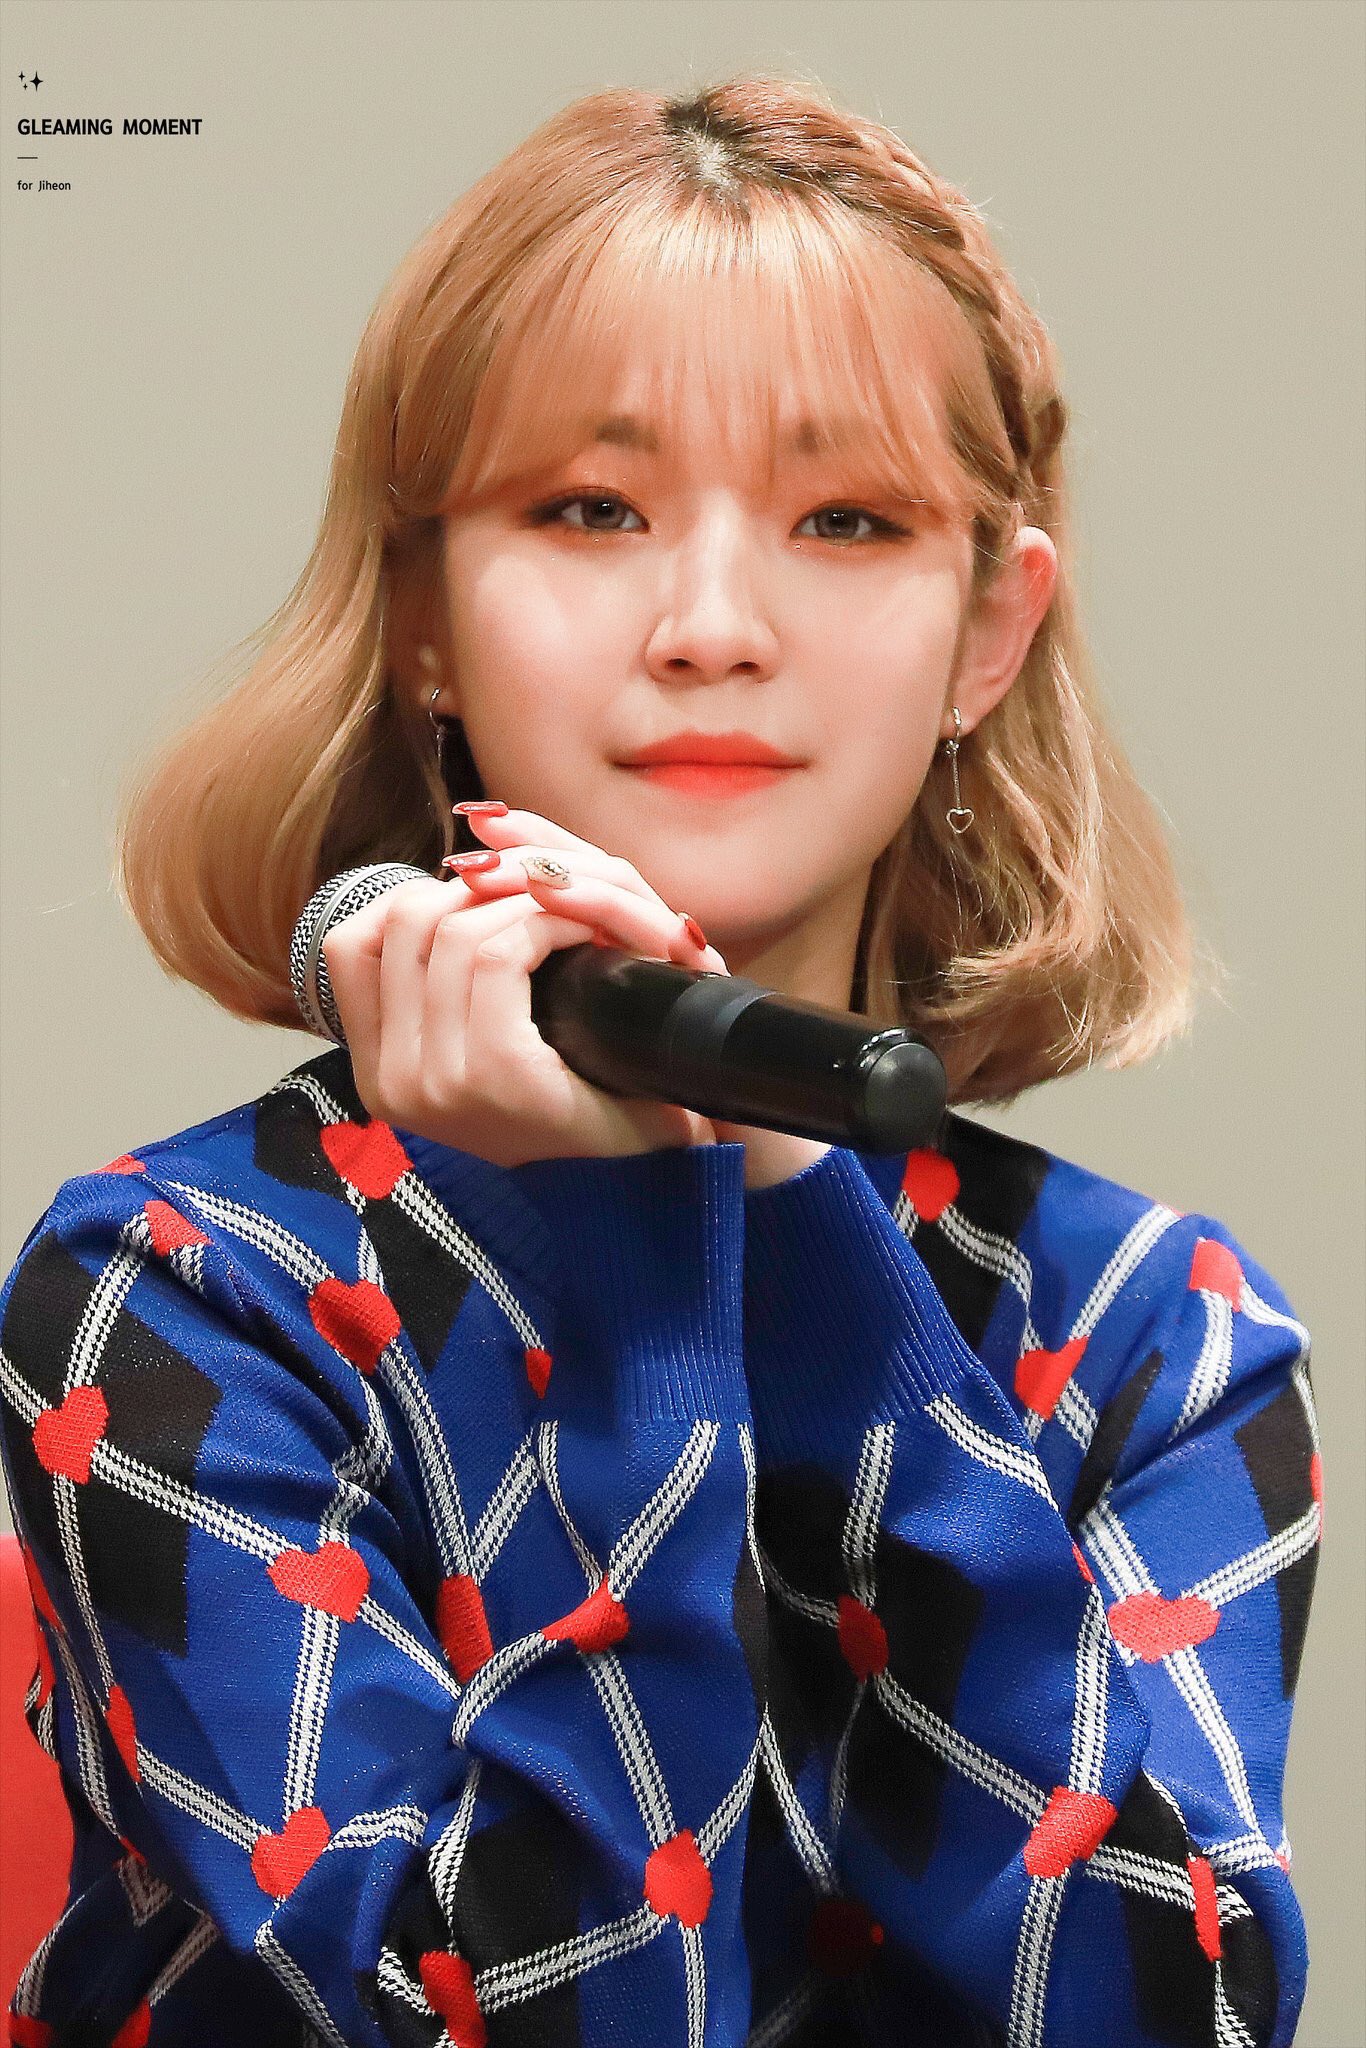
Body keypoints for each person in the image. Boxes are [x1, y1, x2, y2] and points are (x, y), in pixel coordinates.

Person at [0, 74, 1319, 2048]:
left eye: (846, 519)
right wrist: (643, 1281)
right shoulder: (181, 1290)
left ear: (985, 633)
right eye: (589, 511)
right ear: (424, 614)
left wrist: (772, 1199)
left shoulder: (1153, 1333)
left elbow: (1158, 2021)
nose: (709, 625)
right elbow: (542, 2015)